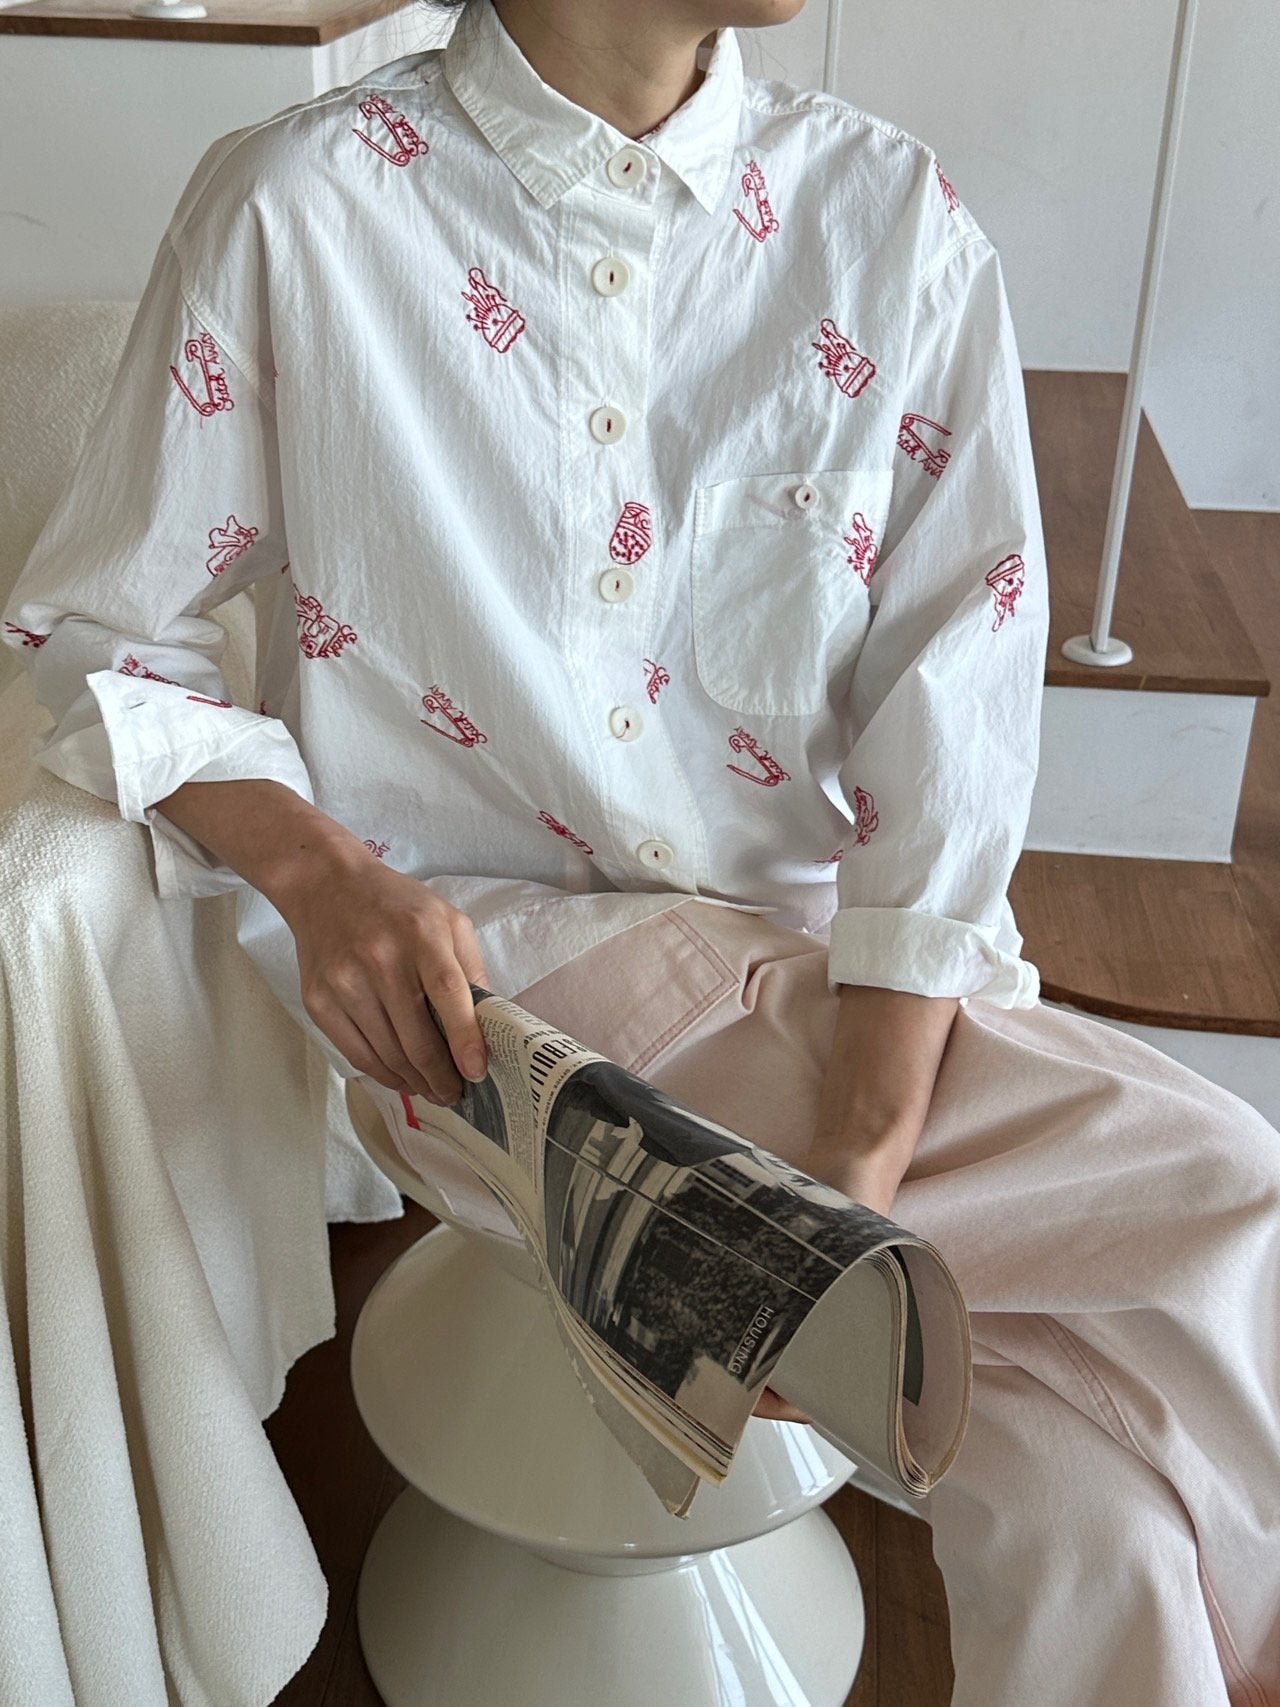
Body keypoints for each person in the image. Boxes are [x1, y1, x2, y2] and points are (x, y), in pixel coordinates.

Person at [4, 0, 1278, 1701]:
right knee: (1222, 1192)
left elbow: (953, 722)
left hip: (811, 976)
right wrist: (318, 876)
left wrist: (853, 1178)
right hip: (477, 1005)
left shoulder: (888, 223)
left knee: (1094, 1516)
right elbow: (98, 631)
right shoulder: (302, 207)